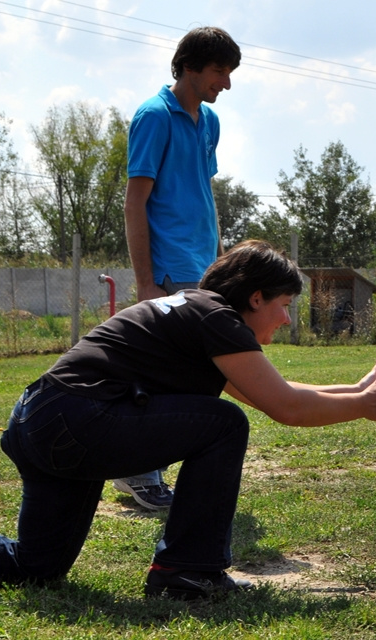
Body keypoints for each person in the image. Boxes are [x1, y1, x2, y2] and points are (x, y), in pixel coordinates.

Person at [0, 241, 376, 599]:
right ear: (255, 297)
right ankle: (187, 571)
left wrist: (355, 393)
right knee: (223, 424)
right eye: (284, 305)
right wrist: (362, 406)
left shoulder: (197, 313)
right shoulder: (218, 319)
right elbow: (286, 408)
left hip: (46, 420)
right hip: (76, 421)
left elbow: (271, 393)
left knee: (36, 566)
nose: (287, 319)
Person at [119, 26, 241, 510]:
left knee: (197, 374)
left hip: (204, 265)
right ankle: (137, 467)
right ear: (189, 66)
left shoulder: (208, 120)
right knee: (176, 372)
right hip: (169, 266)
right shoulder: (153, 117)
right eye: (219, 71)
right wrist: (146, 282)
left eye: (230, 73)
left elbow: (202, 193)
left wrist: (220, 262)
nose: (226, 84)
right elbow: (135, 204)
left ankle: (152, 465)